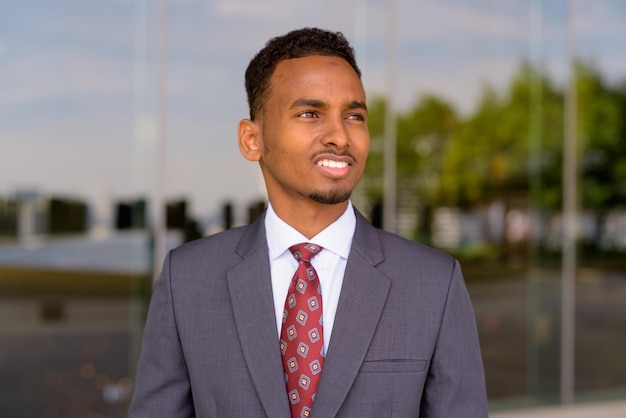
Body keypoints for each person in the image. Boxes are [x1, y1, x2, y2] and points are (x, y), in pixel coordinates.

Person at [129, 27, 488, 418]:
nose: (340, 135)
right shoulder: (188, 280)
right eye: (310, 113)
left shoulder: (434, 284)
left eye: (354, 116)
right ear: (252, 140)